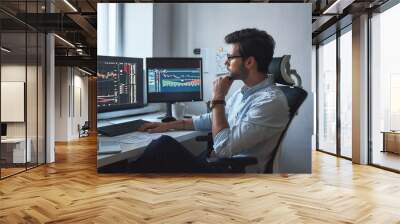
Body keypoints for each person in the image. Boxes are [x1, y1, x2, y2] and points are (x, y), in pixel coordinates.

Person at [130, 28, 289, 173]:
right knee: (162, 149)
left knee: (162, 147)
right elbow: (211, 119)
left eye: (230, 57)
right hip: (218, 161)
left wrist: (218, 98)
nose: (226, 62)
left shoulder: (270, 102)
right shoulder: (244, 92)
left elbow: (223, 148)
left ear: (249, 62)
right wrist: (167, 125)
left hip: (231, 172)